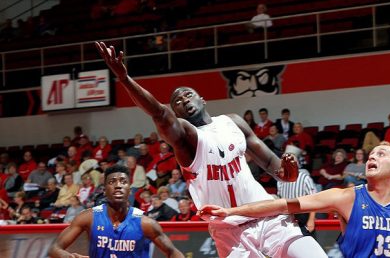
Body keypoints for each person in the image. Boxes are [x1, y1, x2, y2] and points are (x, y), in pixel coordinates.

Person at [95, 41, 325, 257]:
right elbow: (158, 113)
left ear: (202, 99)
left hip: (267, 215)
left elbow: (276, 170)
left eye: (188, 94)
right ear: (176, 114)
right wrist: (124, 79)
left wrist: (290, 174)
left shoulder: (233, 121)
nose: (184, 100)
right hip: (229, 230)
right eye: (177, 101)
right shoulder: (187, 139)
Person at [200, 142, 390, 258]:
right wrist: (230, 212)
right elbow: (282, 204)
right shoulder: (348, 197)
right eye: (371, 154)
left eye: (381, 154)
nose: (373, 156)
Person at [48, 165, 183, 258]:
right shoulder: (88, 217)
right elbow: (54, 248)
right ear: (104, 189)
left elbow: (173, 252)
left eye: (123, 182)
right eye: (112, 182)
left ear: (130, 189)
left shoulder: (146, 223)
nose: (118, 185)